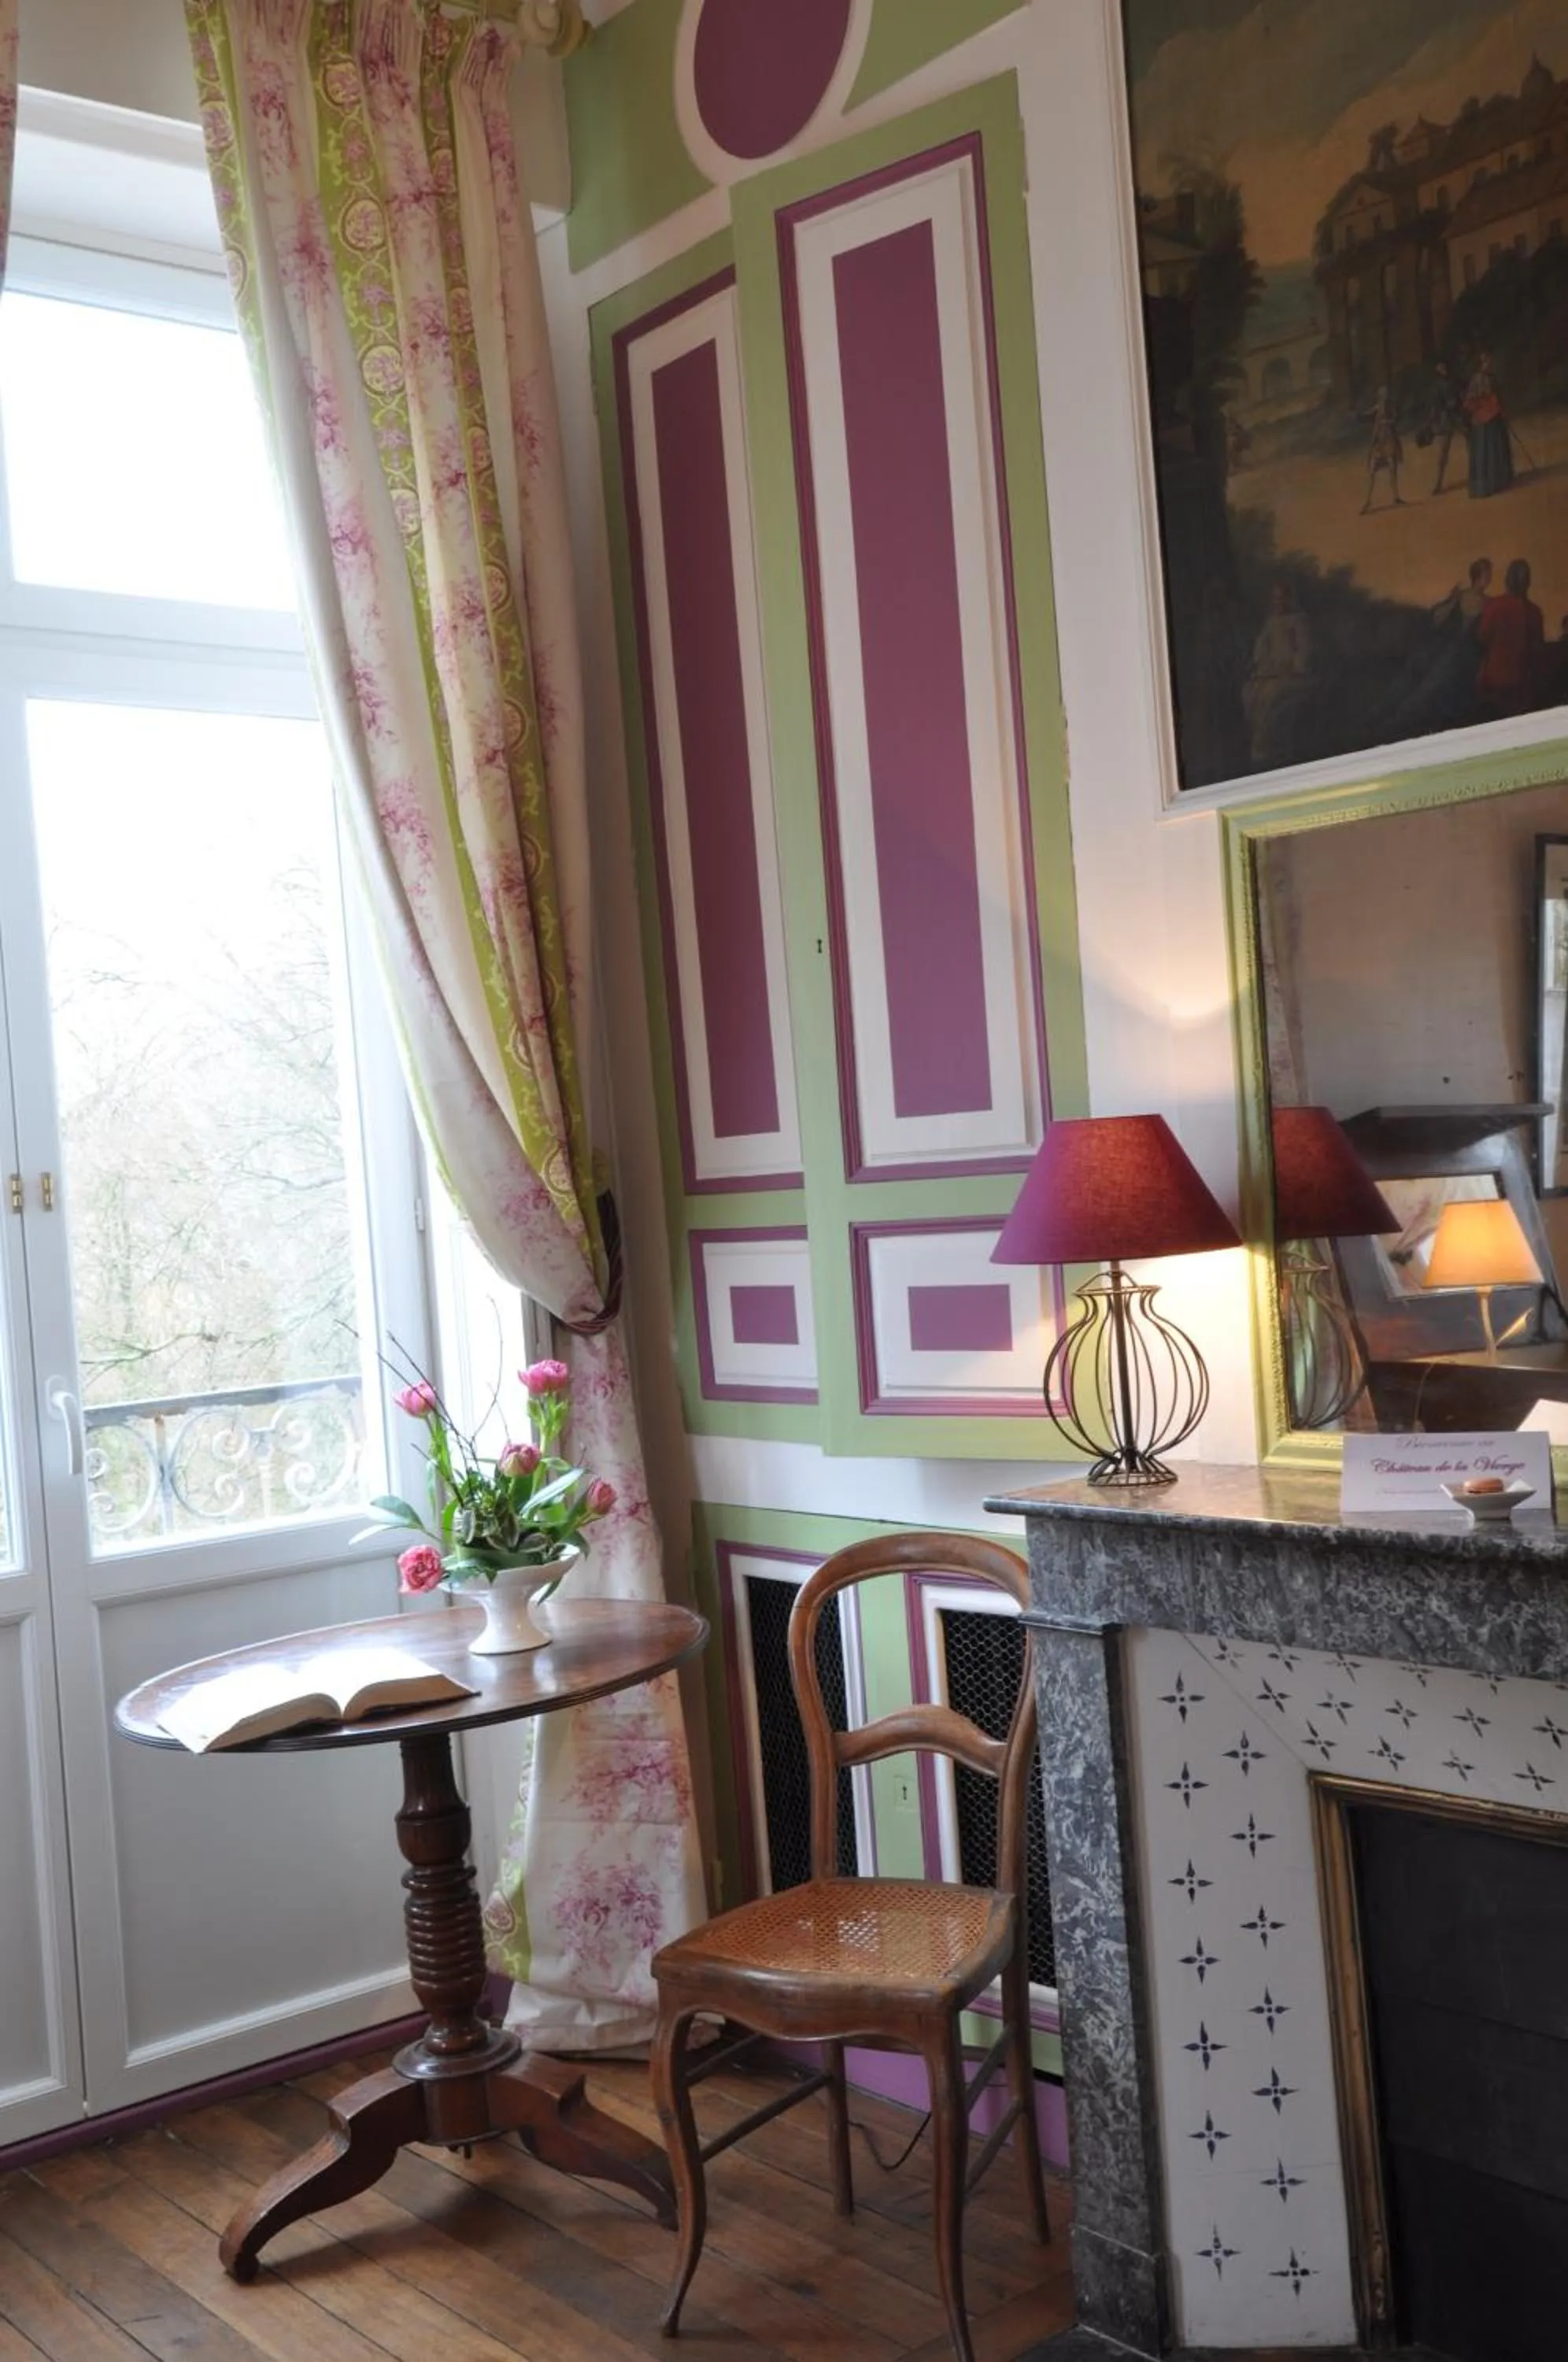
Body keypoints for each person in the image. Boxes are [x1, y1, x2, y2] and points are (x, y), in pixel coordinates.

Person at [1243, 579, 1311, 764]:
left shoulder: (1298, 620)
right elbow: (1261, 647)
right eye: (1275, 599)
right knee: (1250, 693)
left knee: (1269, 696)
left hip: (1290, 675)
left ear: (1289, 599)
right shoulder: (1271, 622)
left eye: (1282, 598)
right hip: (1271, 671)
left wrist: (1295, 667)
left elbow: (1303, 649)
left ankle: (1264, 743)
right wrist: (1262, 664)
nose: (1278, 602)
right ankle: (1257, 737)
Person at [1477, 557, 1544, 715]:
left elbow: (1482, 638)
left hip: (1494, 683)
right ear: (1528, 583)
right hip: (1523, 687)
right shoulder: (1535, 612)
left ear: (1507, 580)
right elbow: (1538, 649)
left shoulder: (1494, 606)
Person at [1464, 352, 1514, 499]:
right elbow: (1470, 399)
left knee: (1497, 449)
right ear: (1481, 364)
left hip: (1494, 419)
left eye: (1489, 362)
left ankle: (1500, 481)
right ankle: (1484, 486)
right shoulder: (1475, 379)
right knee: (1484, 452)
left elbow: (1499, 396)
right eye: (1485, 362)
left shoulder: (1493, 378)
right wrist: (1482, 402)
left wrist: (1501, 409)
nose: (1488, 365)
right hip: (1482, 420)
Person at [1361, 386, 1405, 512]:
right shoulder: (1378, 407)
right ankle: (1368, 501)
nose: (1384, 396)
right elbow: (1369, 414)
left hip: (1389, 442)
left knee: (1393, 470)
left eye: (1386, 394)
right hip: (1379, 444)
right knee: (1372, 472)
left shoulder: (1391, 407)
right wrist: (1361, 414)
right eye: (1382, 394)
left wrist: (1386, 422)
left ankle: (1396, 497)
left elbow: (1395, 419)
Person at [1426, 361, 1466, 494]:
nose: (1444, 370)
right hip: (1446, 420)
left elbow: (1463, 395)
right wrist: (1430, 422)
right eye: (1441, 368)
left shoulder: (1455, 381)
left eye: (1444, 367)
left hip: (1459, 416)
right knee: (1443, 452)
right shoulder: (1436, 387)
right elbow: (1434, 407)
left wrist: (1460, 403)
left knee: (1473, 442)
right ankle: (1438, 483)